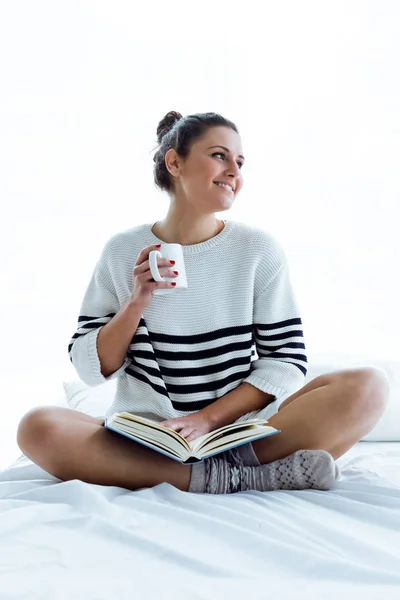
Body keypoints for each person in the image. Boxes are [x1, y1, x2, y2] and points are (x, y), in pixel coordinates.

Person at [16, 111, 389, 495]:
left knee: (368, 385)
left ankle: (224, 470)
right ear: (174, 162)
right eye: (219, 156)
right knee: (38, 427)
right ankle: (237, 480)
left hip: (240, 433)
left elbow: (286, 361)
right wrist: (137, 301)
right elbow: (90, 368)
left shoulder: (257, 251)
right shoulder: (122, 251)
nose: (234, 171)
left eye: (240, 162)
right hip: (149, 438)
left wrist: (208, 419)